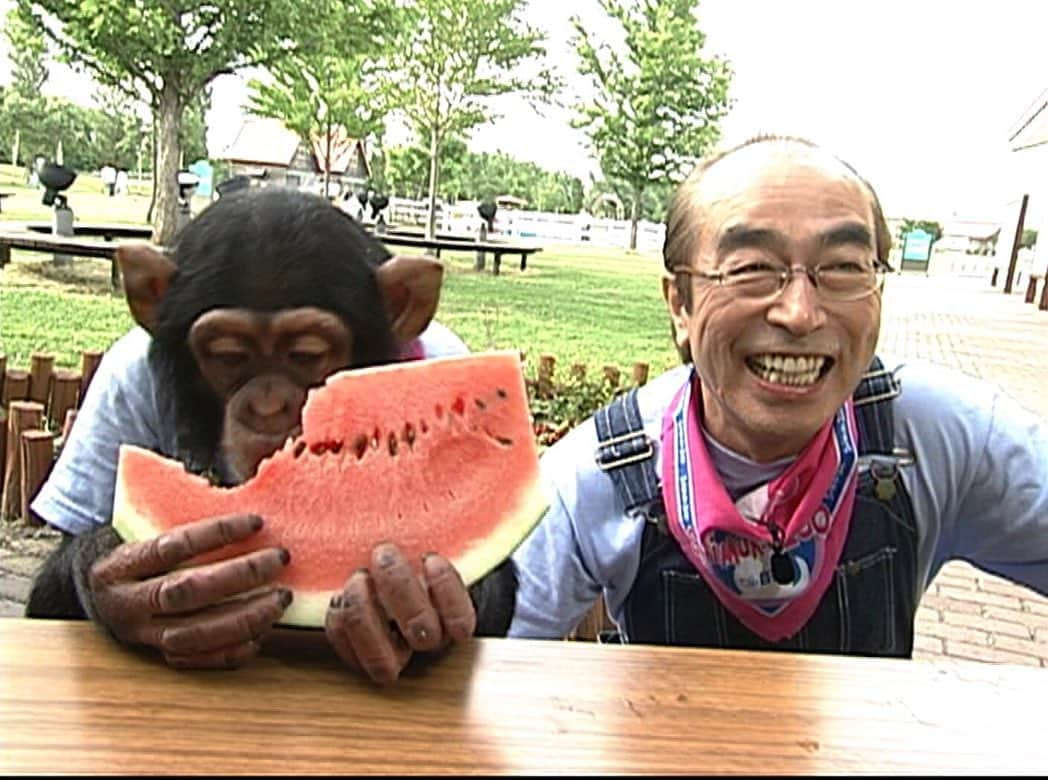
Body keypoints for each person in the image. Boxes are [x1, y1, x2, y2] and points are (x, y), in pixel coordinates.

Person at [505, 135, 1048, 656]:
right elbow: (480, 661)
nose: (800, 313)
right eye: (751, 269)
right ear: (680, 305)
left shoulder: (936, 437)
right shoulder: (598, 472)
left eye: (842, 268)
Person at [25, 188, 510, 685]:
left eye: (306, 355)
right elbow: (49, 606)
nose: (268, 404)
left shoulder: (434, 370)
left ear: (400, 309)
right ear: (152, 300)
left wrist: (453, 598)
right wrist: (99, 579)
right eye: (231, 357)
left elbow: (498, 583)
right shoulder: (137, 370)